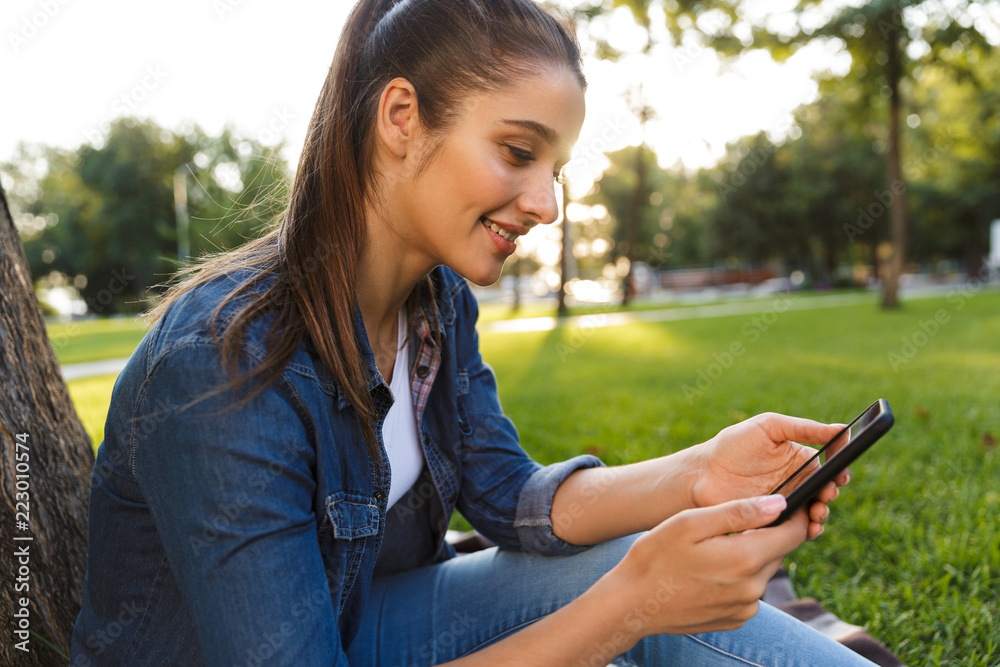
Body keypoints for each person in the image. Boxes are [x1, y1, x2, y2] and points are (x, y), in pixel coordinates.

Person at [70, 0, 878, 665]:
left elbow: (510, 497)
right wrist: (630, 607)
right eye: (518, 151)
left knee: (638, 568)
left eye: (554, 167)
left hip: (362, 621)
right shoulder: (224, 362)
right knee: (637, 590)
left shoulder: (437, 303)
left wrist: (698, 472)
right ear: (400, 117)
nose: (546, 203)